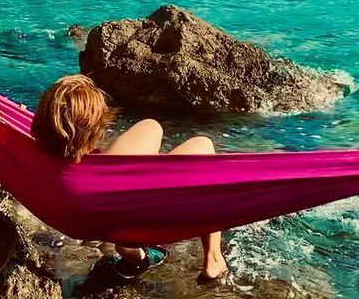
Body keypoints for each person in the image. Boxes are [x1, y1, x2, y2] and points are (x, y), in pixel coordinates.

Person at [30, 74, 230, 284]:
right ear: (93, 131)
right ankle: (214, 258)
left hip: (81, 219)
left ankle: (135, 255)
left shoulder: (31, 156)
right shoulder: (101, 185)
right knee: (200, 144)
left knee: (151, 129)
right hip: (129, 221)